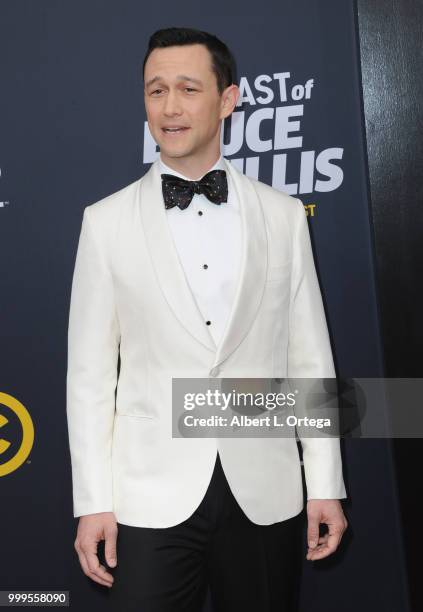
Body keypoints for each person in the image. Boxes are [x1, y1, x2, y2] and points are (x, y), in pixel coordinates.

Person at [66, 26, 348, 612]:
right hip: (149, 496)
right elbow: (90, 378)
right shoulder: (105, 222)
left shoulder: (285, 216)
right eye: (155, 90)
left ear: (227, 100)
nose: (169, 107)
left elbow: (310, 362)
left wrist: (324, 484)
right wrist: (93, 500)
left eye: (188, 89)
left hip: (265, 489)